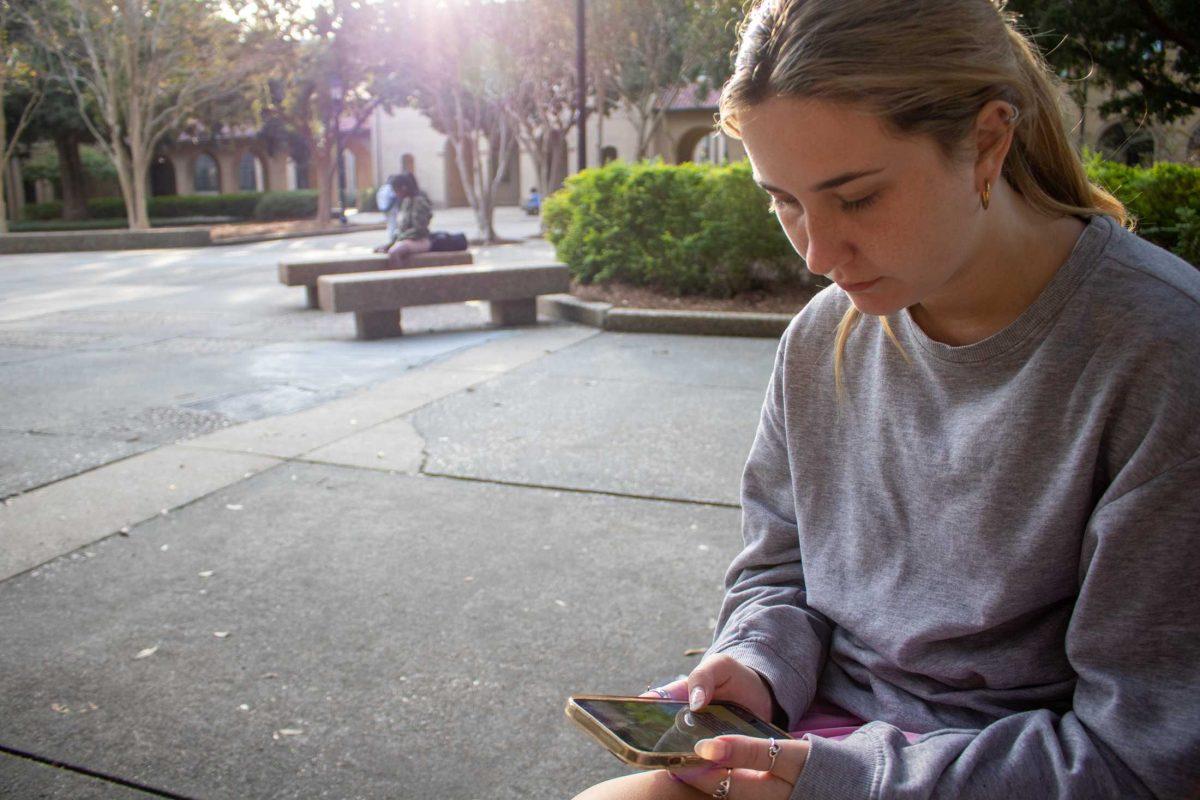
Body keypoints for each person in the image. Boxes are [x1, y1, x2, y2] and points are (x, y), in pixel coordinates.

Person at [573, 1, 1200, 798]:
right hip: (818, 742)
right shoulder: (821, 336)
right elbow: (778, 572)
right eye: (785, 201)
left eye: (858, 198)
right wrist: (759, 662)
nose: (817, 255)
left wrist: (845, 781)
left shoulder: (1164, 355)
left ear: (987, 140)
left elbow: (1145, 758)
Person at [374, 173, 434, 266]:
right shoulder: (406, 202)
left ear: (404, 188)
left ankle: (400, 277)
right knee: (383, 250)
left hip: (420, 240)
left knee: (394, 252)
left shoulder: (419, 202)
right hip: (407, 239)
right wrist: (390, 243)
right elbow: (402, 228)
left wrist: (399, 241)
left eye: (396, 190)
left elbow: (419, 230)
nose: (395, 193)